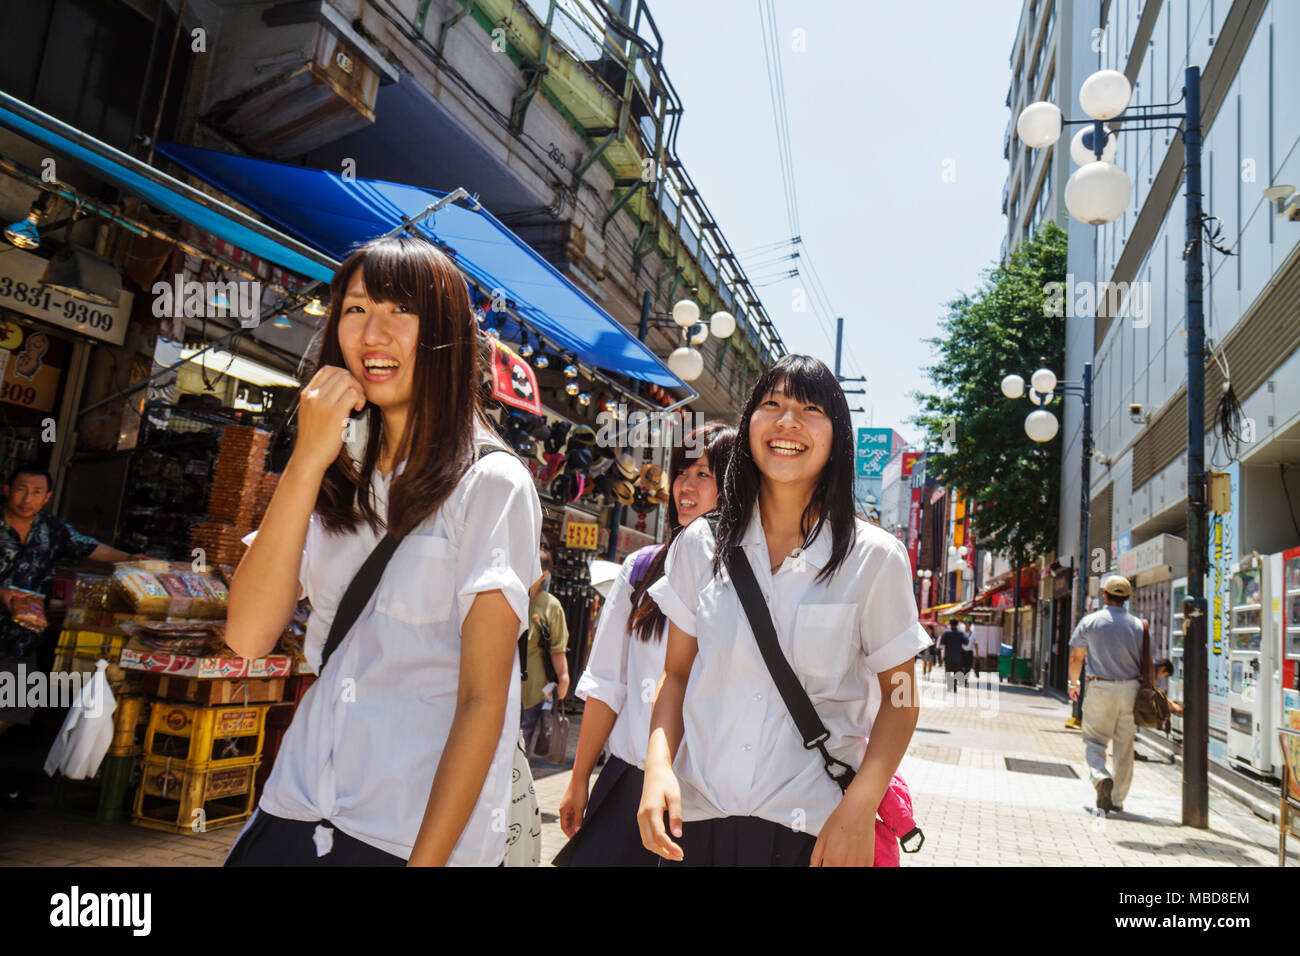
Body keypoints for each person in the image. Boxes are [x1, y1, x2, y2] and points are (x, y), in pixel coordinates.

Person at [223, 235, 542, 866]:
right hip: (295, 804)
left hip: (401, 836)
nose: (374, 334)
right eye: (355, 309)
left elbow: (485, 700)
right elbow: (248, 635)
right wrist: (307, 458)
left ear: (444, 332)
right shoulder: (340, 467)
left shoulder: (491, 483)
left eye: (401, 311)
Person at [638, 355, 930, 866]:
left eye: (810, 408)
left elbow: (900, 698)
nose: (788, 421)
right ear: (749, 423)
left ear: (838, 437)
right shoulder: (700, 545)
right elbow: (676, 674)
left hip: (813, 832)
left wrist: (859, 810)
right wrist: (657, 767)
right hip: (697, 823)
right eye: (771, 404)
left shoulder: (874, 558)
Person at [555, 423, 736, 866]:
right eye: (681, 472)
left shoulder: (751, 582)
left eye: (704, 474)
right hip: (627, 784)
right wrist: (579, 777)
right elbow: (606, 683)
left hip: (709, 802)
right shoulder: (641, 568)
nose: (685, 487)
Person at [1, 466, 141, 805]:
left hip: (22, 636)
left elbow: (89, 548)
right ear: (7, 489)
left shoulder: (51, 529)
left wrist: (129, 559)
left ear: (47, 497)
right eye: (21, 489)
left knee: (15, 706)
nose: (27, 498)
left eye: (36, 492)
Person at [1068, 574, 1146, 813]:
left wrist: (1074, 683)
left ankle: (1101, 777)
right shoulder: (1137, 625)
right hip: (1131, 689)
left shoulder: (1091, 622)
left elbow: (1076, 657)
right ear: (1127, 598)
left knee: (1094, 740)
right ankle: (1117, 799)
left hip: (1100, 685)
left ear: (1104, 595)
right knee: (1125, 745)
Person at [520, 546, 570, 752]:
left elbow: (557, 648)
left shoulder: (551, 606)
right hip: (502, 686)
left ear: (544, 574)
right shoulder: (512, 597)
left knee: (521, 743)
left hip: (533, 689)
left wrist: (563, 677)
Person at [938, 619, 966, 692]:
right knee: (956, 671)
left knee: (948, 671)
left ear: (950, 624)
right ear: (957, 624)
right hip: (958, 656)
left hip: (948, 656)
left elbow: (942, 642)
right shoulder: (961, 633)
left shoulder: (946, 632)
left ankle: (950, 686)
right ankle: (955, 684)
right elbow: (966, 641)